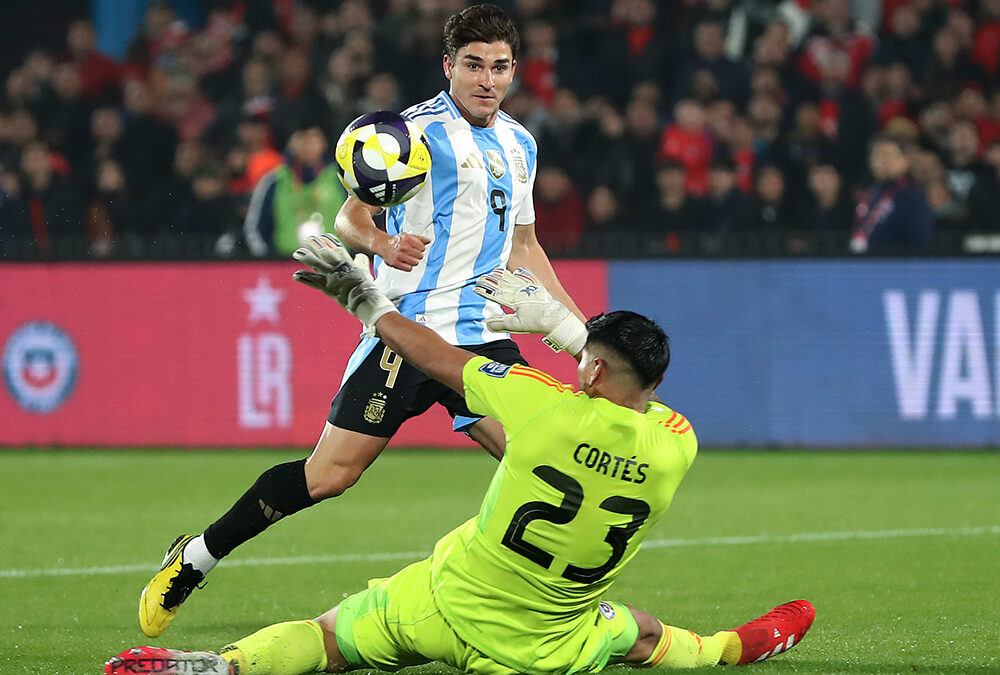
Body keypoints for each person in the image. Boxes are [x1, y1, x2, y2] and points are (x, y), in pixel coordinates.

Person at [108, 236, 814, 675]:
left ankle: (224, 668)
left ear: (595, 371)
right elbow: (636, 398)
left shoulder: (543, 406)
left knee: (328, 640)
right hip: (550, 644)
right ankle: (735, 646)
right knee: (643, 633)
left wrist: (366, 303)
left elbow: (446, 356)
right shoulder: (678, 443)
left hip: (446, 599)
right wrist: (569, 333)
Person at [138, 3, 584, 639]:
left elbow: (526, 247)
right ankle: (196, 557)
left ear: (515, 70)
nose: (488, 80)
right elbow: (348, 219)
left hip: (482, 336)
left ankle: (537, 608)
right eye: (474, 65)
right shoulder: (410, 134)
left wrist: (583, 334)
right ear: (449, 66)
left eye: (500, 67)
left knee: (540, 464)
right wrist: (380, 244)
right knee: (328, 477)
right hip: (406, 329)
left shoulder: (521, 145)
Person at [243, 118, 345, 257]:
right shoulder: (274, 182)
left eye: (312, 139)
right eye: (301, 139)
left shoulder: (341, 179)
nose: (307, 145)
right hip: (285, 265)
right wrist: (269, 261)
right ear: (291, 143)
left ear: (323, 142)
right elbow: (257, 228)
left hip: (337, 263)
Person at [851, 134, 934, 253]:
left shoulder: (913, 197)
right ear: (871, 162)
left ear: (904, 161)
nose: (884, 161)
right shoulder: (869, 196)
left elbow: (921, 245)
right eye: (878, 155)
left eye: (889, 155)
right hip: (863, 262)